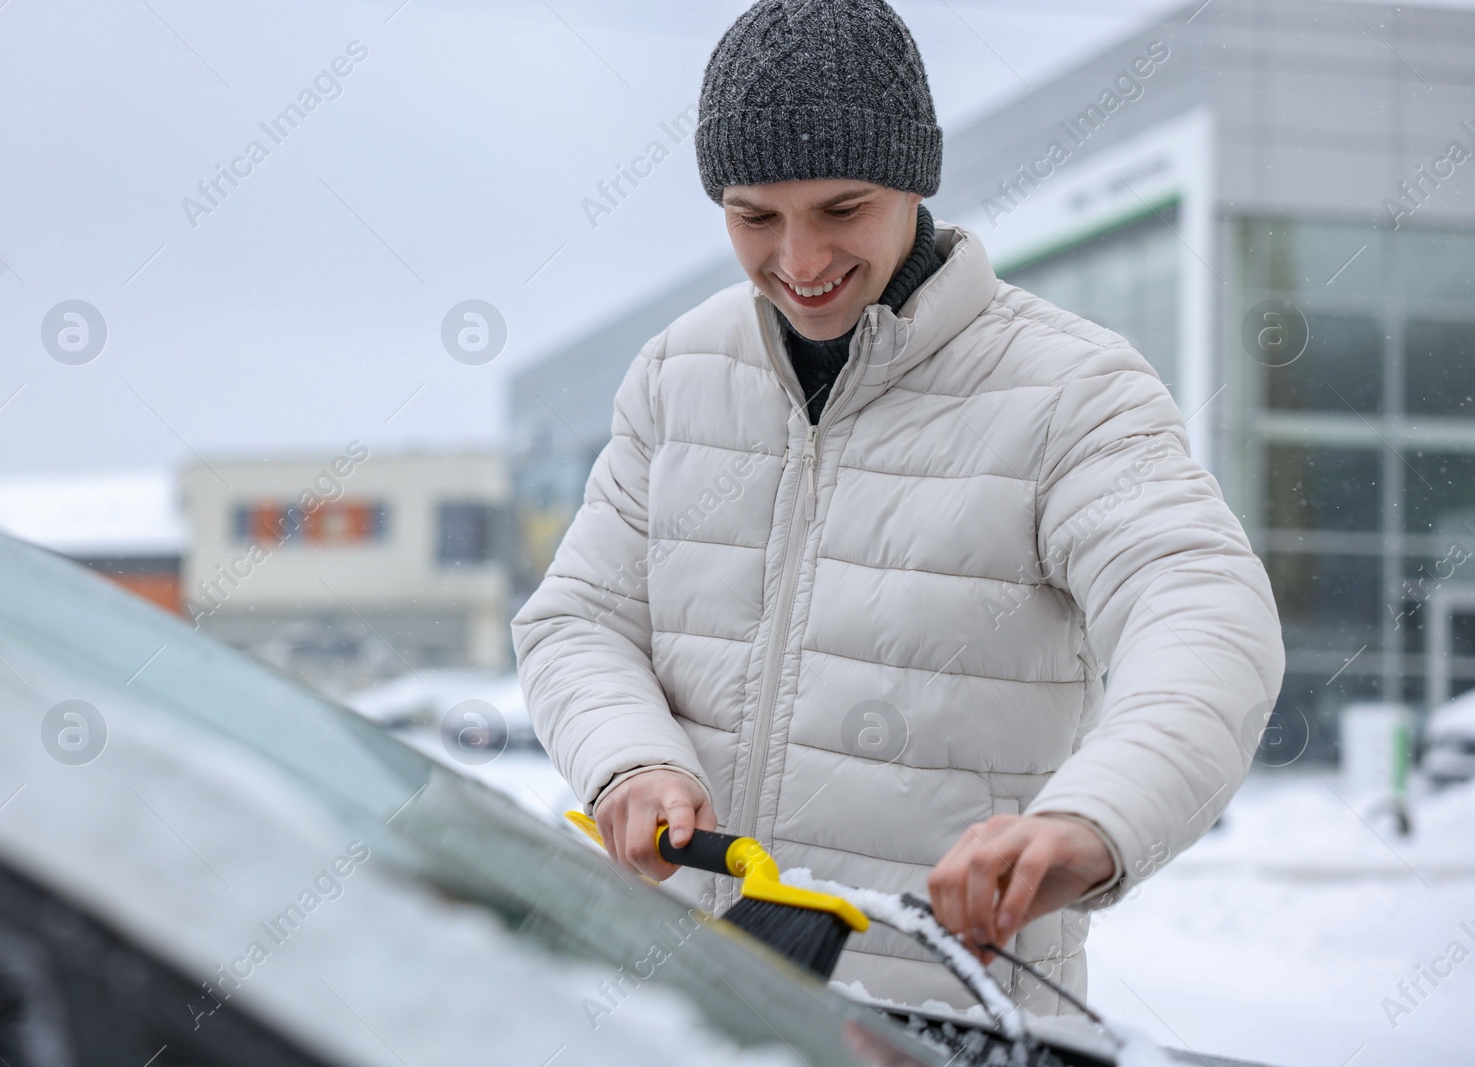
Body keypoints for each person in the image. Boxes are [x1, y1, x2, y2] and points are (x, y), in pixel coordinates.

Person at [513, 0, 1283, 1014]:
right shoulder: (679, 373)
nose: (797, 260)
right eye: (753, 216)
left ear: (916, 181)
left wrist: (1093, 818)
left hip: (943, 1018)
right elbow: (578, 618)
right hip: (684, 1009)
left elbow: (1204, 615)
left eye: (842, 209)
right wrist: (630, 757)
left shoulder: (1069, 390)